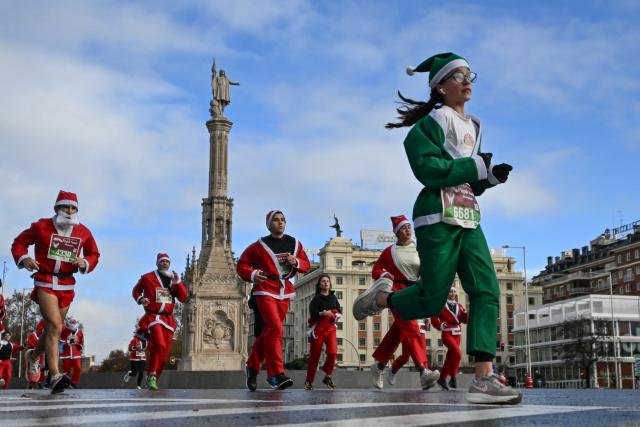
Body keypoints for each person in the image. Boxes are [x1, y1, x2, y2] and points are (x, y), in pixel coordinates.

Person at [353, 53, 521, 404]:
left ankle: (483, 378)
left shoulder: (474, 125)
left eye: (468, 74)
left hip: (469, 216)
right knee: (432, 296)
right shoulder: (431, 123)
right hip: (435, 215)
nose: (466, 80)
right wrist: (473, 167)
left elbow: (467, 179)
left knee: (487, 289)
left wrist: (487, 177)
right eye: (457, 76)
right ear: (440, 87)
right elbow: (428, 168)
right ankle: (382, 298)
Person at [11, 190, 100, 394]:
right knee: (54, 325)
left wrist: (84, 262)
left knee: (54, 329)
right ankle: (55, 376)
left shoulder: (83, 232)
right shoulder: (41, 226)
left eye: (73, 208)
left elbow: (94, 253)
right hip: (44, 280)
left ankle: (33, 357)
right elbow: (19, 242)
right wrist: (24, 258)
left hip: (67, 284)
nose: (69, 211)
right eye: (65, 207)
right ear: (56, 208)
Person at [237, 210, 310, 390]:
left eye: (283, 220)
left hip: (285, 291)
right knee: (275, 328)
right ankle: (276, 375)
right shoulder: (259, 246)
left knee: (269, 332)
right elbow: (242, 264)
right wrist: (253, 274)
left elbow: (306, 265)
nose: (280, 223)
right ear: (269, 225)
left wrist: (296, 262)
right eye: (276, 220)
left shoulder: (294, 243)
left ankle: (252, 366)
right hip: (264, 290)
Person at [366, 215, 439, 390]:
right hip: (398, 294)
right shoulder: (389, 252)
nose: (408, 229)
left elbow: (427, 268)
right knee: (412, 328)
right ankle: (424, 371)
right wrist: (384, 274)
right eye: (404, 228)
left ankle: (379, 365)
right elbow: (376, 269)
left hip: (415, 292)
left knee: (398, 333)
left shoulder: (418, 248)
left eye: (409, 227)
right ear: (397, 232)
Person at [132, 253, 187, 391]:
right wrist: (140, 299)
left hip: (168, 319)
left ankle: (154, 378)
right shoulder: (147, 277)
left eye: (167, 262)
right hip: (153, 316)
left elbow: (183, 298)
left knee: (164, 354)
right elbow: (136, 291)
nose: (165, 264)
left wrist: (178, 283)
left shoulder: (172, 279)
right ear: (157, 263)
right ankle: (151, 375)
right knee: (159, 344)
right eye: (162, 262)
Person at [304, 274, 341, 390]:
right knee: (315, 356)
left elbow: (339, 310)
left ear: (330, 284)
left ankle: (327, 376)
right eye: (323, 281)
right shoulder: (316, 299)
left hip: (330, 328)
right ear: (320, 285)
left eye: (327, 281)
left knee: (333, 352)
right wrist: (323, 313)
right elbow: (313, 312)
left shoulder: (333, 297)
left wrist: (334, 314)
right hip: (318, 329)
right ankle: (309, 381)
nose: (325, 283)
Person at [430, 286, 468, 390]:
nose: (452, 293)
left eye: (454, 292)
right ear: (447, 293)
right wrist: (440, 325)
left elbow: (464, 320)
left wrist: (465, 314)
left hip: (457, 333)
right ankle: (453, 377)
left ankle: (442, 379)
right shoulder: (441, 305)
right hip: (447, 333)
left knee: (450, 357)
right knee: (457, 353)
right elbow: (434, 318)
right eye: (450, 291)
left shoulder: (459, 306)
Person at [60, 316, 84, 388]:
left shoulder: (80, 332)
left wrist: (77, 342)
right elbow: (60, 341)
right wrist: (67, 341)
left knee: (78, 367)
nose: (73, 323)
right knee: (66, 370)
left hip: (76, 354)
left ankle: (74, 382)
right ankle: (66, 384)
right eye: (71, 322)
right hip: (66, 354)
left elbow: (82, 342)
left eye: (74, 322)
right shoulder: (64, 331)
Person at [124, 321, 148, 389]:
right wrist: (135, 348)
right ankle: (129, 374)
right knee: (134, 373)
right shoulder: (134, 340)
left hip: (142, 358)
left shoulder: (145, 341)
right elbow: (129, 348)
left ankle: (138, 385)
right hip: (134, 359)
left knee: (141, 372)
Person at [25, 320, 46, 389]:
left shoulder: (46, 336)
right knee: (33, 369)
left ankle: (39, 383)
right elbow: (30, 344)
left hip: (42, 355)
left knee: (42, 369)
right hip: (34, 354)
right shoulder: (33, 335)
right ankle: (31, 384)